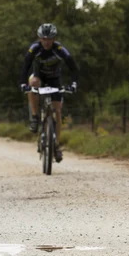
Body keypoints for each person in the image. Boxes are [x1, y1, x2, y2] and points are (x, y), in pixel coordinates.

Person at [20, 23, 79, 163]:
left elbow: (74, 68)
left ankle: (56, 145)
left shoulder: (59, 49)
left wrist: (74, 84)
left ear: (54, 39)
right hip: (39, 77)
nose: (46, 42)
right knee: (32, 83)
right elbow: (25, 66)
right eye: (44, 38)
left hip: (54, 80)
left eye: (49, 39)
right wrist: (23, 84)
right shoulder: (34, 48)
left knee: (57, 111)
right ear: (40, 38)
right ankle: (35, 116)